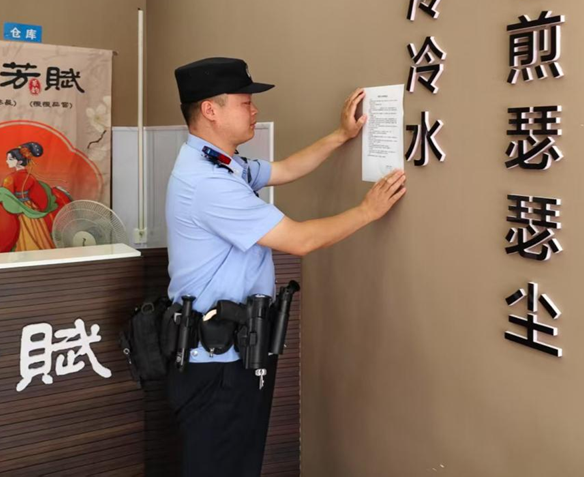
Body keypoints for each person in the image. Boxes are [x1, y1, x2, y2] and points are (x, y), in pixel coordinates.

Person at [165, 57, 406, 476]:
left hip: (234, 351)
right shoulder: (208, 183)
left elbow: (287, 169)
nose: (254, 110)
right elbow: (301, 240)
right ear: (210, 110)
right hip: (215, 364)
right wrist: (367, 211)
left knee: (239, 464)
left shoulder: (222, 162)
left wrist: (341, 135)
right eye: (245, 102)